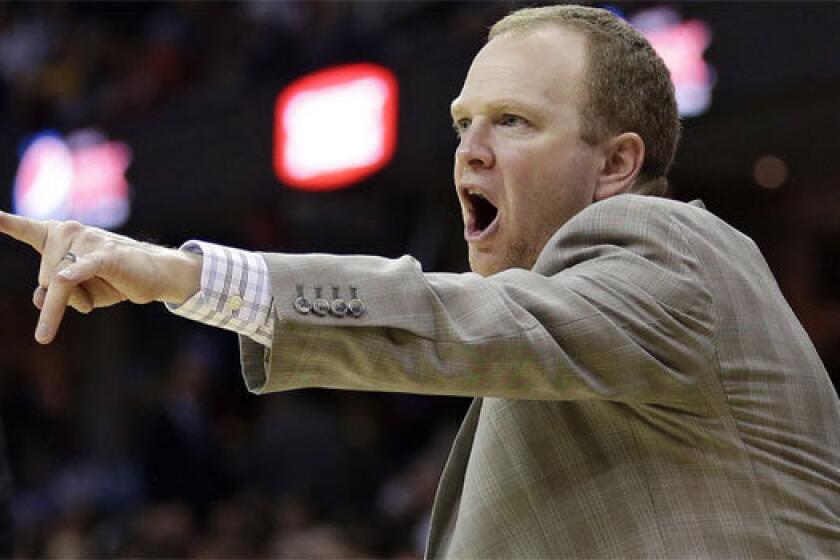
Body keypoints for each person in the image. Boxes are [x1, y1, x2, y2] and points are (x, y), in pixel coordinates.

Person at [1, 4, 839, 558]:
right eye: (462, 123)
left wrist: (178, 273)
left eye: (513, 121)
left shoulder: (669, 248)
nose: (470, 150)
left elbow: (440, 318)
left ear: (618, 162)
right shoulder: (574, 329)